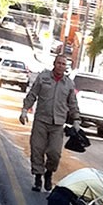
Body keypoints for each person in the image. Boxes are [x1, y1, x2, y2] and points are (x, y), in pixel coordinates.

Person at [19, 54, 81, 192]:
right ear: (54, 63)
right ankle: (37, 178)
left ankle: (48, 173)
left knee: (54, 153)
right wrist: (24, 110)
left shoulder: (69, 84)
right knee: (37, 149)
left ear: (66, 67)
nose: (60, 66)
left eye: (63, 64)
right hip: (41, 120)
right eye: (59, 63)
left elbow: (73, 103)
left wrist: (76, 119)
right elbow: (32, 95)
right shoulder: (43, 77)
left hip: (58, 124)